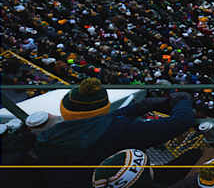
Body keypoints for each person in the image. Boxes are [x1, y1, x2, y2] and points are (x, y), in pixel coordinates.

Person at [34, 79, 196, 188]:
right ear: (104, 107)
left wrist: (142, 106)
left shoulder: (50, 133)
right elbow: (180, 122)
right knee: (194, 155)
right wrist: (183, 101)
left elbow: (98, 119)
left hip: (78, 180)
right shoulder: (120, 130)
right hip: (121, 181)